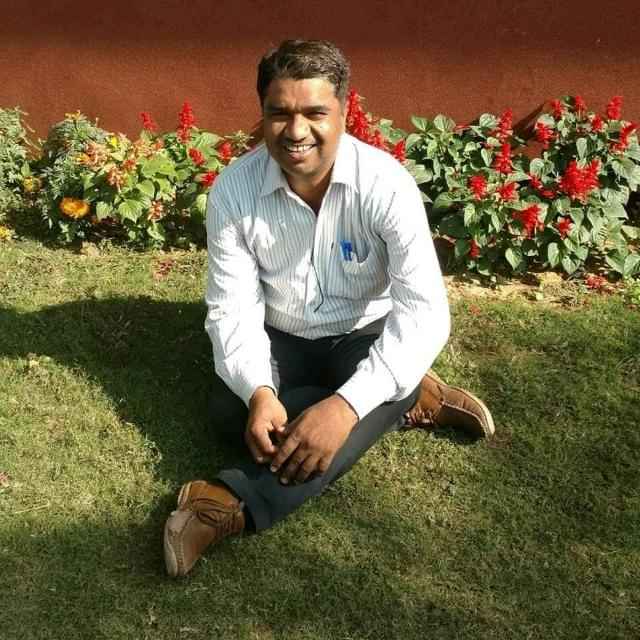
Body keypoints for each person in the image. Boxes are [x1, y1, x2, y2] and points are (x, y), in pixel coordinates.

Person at [163, 39, 494, 578]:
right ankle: (411, 397)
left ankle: (223, 503)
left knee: (366, 397)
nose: (296, 131)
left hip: (361, 334)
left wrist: (344, 408)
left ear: (343, 111)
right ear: (263, 113)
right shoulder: (233, 191)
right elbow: (232, 308)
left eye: (315, 113)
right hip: (280, 336)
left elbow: (424, 312)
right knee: (231, 414)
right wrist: (260, 392)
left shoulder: (386, 185)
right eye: (279, 113)